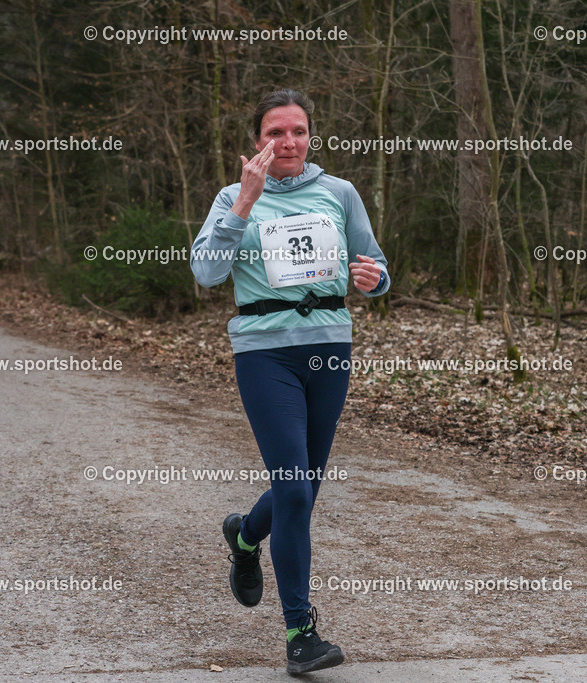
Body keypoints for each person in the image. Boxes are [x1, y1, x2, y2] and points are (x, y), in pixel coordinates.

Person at [190, 88, 389, 674]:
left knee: (303, 486)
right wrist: (244, 204)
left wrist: (373, 279)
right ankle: (301, 634)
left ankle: (245, 535)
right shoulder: (232, 197)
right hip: (264, 353)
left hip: (329, 347)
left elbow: (376, 267)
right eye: (275, 132)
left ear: (310, 136)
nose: (288, 141)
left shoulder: (339, 192)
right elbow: (206, 273)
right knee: (296, 489)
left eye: (298, 131)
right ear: (258, 141)